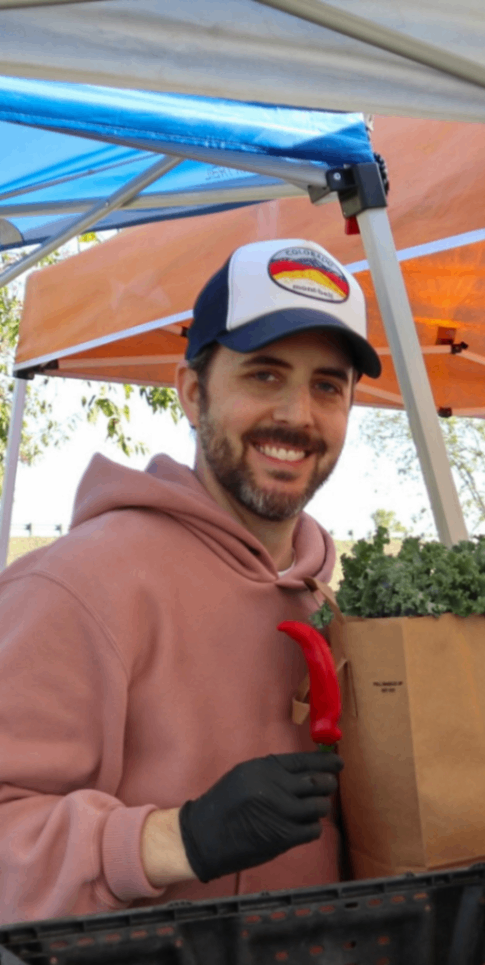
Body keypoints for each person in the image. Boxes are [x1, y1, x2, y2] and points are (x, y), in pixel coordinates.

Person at [0, 238, 381, 923]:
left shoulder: (333, 598)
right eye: (264, 375)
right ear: (191, 390)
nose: (297, 414)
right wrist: (180, 838)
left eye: (327, 385)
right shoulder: (74, 587)